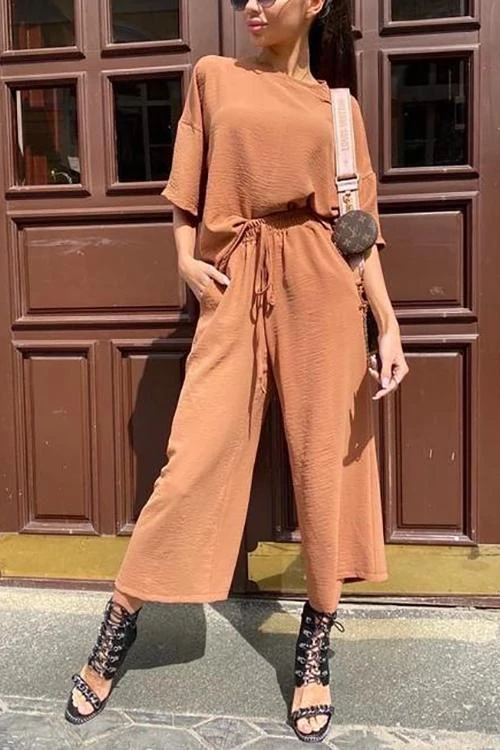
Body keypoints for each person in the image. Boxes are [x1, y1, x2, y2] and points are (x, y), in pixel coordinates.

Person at [64, 0, 409, 742]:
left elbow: (358, 229)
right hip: (236, 273)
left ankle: (315, 641)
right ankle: (122, 617)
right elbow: (186, 188)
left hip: (322, 282)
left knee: (325, 463)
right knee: (195, 454)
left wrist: (387, 323)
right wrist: (185, 261)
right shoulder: (214, 76)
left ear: (314, 3)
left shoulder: (339, 109)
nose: (252, 3)